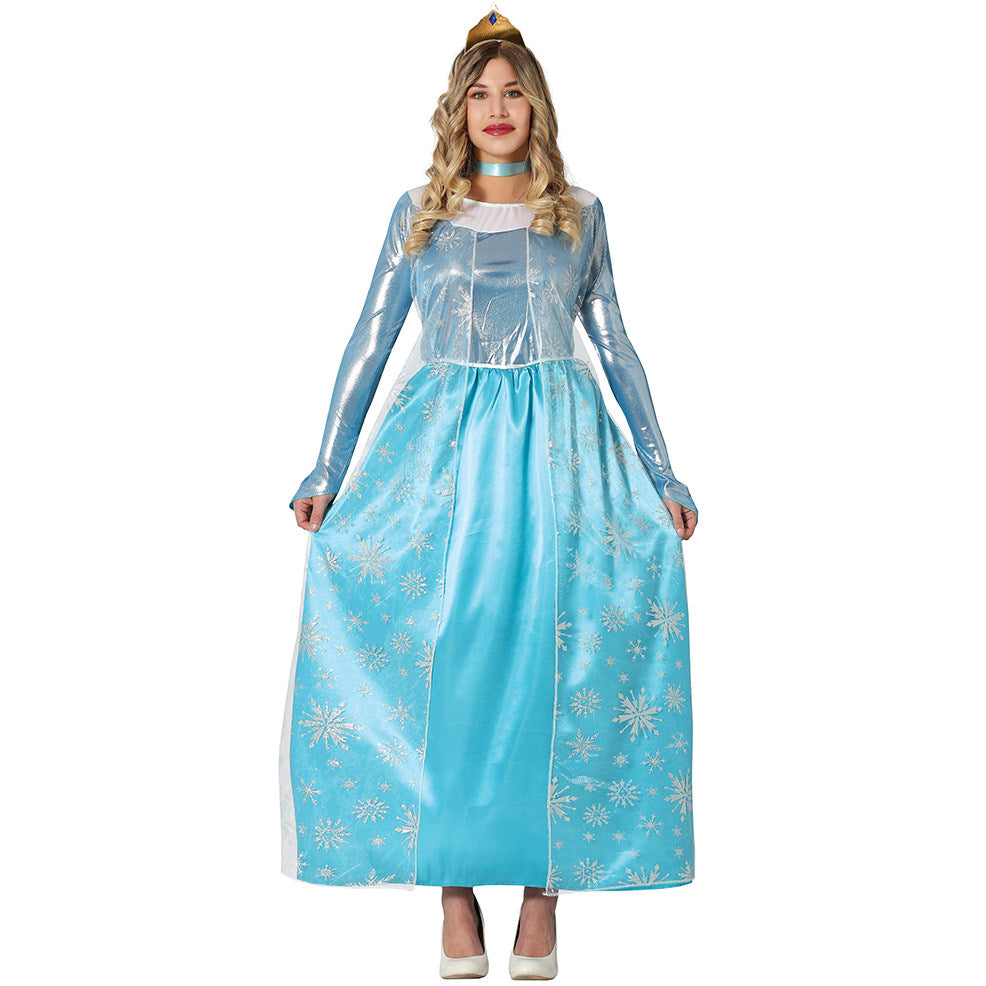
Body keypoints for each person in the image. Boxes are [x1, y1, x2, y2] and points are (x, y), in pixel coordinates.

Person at [279, 8, 699, 980]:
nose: (497, 108)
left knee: (562, 651)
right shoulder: (419, 214)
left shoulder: (578, 213)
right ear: (456, 111)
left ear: (536, 106)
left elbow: (614, 342)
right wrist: (327, 468)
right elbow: (370, 337)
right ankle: (455, 888)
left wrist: (662, 470)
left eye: (513, 91)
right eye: (479, 93)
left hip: (561, 456)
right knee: (452, 661)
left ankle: (543, 889)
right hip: (443, 461)